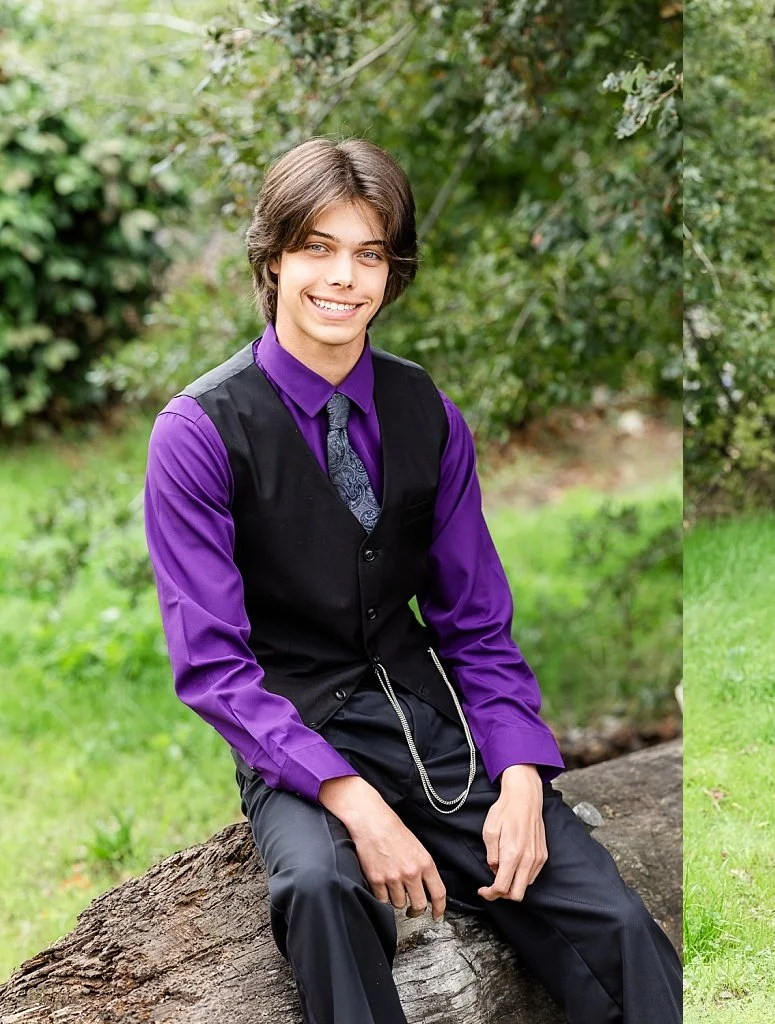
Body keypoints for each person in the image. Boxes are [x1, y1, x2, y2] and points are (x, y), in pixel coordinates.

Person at [141, 138, 682, 1024]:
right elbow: (214, 669)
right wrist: (353, 802)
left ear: (393, 273)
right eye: (317, 247)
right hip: (295, 737)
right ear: (272, 258)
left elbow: (475, 620)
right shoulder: (198, 433)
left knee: (613, 921)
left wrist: (516, 774)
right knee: (321, 890)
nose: (341, 278)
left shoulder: (424, 409)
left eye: (369, 253)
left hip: (433, 728)